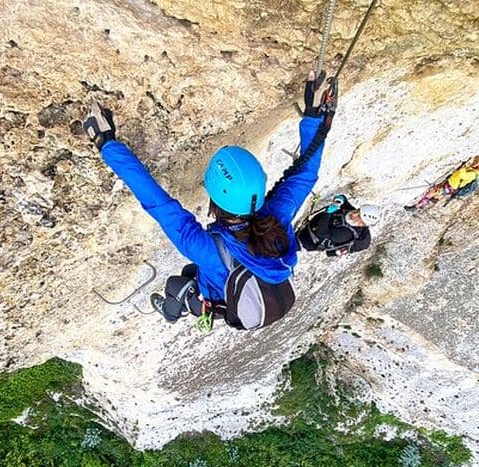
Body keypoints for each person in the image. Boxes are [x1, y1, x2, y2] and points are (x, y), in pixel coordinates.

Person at [84, 71, 337, 330]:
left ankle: (173, 311)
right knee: (187, 276)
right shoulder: (275, 218)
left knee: (179, 285)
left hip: (220, 300)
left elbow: (306, 175)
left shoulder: (220, 246)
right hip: (248, 291)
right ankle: (177, 306)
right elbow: (159, 206)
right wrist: (106, 144)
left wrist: (316, 115)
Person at [296, 195, 381, 256]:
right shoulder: (352, 212)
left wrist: (327, 214)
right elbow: (344, 201)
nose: (354, 214)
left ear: (362, 224)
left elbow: (321, 232)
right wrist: (341, 199)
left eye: (359, 217)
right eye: (358, 211)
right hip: (306, 228)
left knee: (285, 246)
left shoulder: (346, 234)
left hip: (306, 241)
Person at [405, 155, 479, 210]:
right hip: (450, 183)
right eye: (476, 160)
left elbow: (461, 174)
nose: (474, 161)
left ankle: (416, 207)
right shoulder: (475, 170)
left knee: (433, 191)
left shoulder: (474, 174)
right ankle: (434, 198)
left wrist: (465, 167)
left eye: (477, 161)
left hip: (451, 186)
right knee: (436, 193)